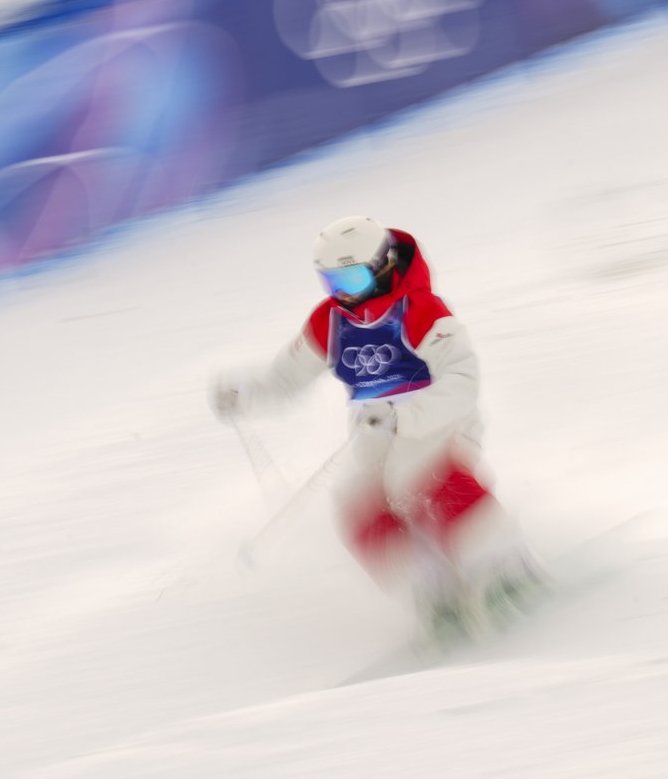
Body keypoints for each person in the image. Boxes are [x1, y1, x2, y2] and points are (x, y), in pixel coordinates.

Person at [210, 216, 533, 633]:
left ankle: (501, 562)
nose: (342, 292)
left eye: (353, 277)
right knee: (358, 504)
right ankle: (430, 591)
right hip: (373, 430)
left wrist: (405, 416)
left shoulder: (419, 310)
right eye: (331, 282)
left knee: (422, 476)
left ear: (382, 266)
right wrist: (245, 393)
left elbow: (462, 380)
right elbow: (285, 378)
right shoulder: (328, 322)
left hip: (436, 419)